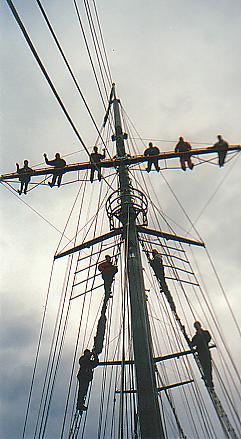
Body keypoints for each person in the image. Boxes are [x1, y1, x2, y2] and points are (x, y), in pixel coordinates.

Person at [191, 321, 214, 388]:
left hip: (206, 351)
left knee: (208, 366)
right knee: (204, 366)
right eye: (196, 326)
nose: (197, 327)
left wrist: (202, 339)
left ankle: (209, 381)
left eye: (197, 325)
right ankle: (207, 378)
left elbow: (208, 338)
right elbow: (192, 344)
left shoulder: (205, 333)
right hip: (201, 353)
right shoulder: (195, 337)